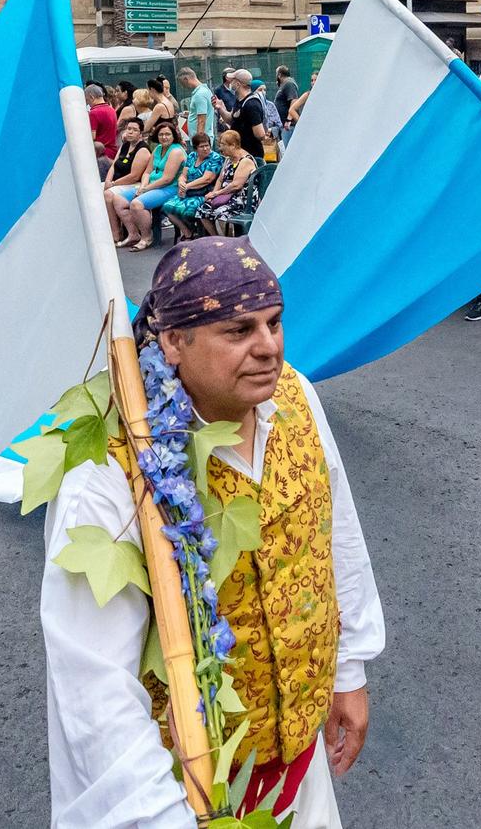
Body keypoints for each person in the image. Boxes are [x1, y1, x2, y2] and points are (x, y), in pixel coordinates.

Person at [41, 237, 383, 824]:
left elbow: (335, 536)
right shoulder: (109, 475)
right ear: (173, 342)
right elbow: (93, 686)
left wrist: (347, 672)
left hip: (295, 757)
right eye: (238, 331)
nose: (268, 348)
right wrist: (162, 814)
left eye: (275, 324)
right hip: (180, 792)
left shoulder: (297, 399)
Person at [112, 118, 186, 252]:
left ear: (173, 135)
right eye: (161, 134)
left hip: (169, 188)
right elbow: (147, 172)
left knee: (137, 204)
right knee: (118, 199)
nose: (164, 137)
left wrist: (145, 189)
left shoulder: (176, 151)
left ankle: (146, 237)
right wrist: (143, 186)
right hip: (150, 186)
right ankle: (133, 234)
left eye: (167, 134)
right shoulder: (157, 149)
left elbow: (167, 179)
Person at [160, 132, 225, 239]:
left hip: (204, 193)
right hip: (189, 191)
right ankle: (187, 233)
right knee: (166, 207)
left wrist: (187, 186)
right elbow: (183, 175)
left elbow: (207, 179)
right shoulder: (192, 156)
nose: (205, 149)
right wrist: (181, 183)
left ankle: (201, 233)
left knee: (190, 208)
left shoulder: (215, 158)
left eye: (207, 145)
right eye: (201, 146)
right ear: (195, 148)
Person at [199, 128, 258, 234]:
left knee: (220, 213)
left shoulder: (245, 161)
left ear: (233, 145)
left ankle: (230, 243)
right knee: (202, 209)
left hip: (242, 199)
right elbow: (220, 179)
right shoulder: (228, 159)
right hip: (226, 196)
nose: (220, 148)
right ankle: (217, 239)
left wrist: (217, 193)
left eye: (223, 144)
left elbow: (236, 185)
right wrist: (213, 194)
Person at [232, 70, 272, 160]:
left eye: (233, 80)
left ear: (238, 84)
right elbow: (232, 119)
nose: (231, 83)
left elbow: (260, 134)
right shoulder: (239, 101)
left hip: (251, 154)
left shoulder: (251, 104)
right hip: (240, 153)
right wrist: (220, 108)